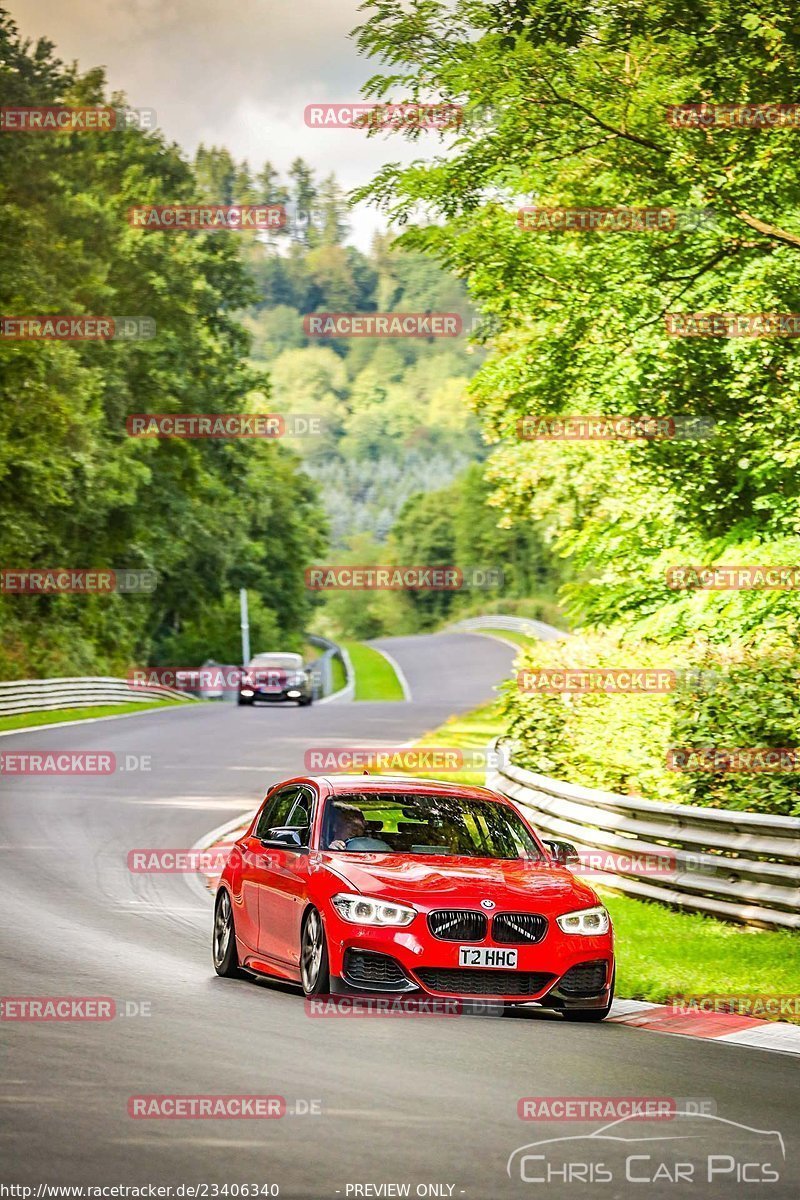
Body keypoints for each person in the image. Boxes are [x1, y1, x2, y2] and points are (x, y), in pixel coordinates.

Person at [326, 803, 391, 851]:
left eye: (359, 827)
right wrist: (332, 850)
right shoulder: (323, 845)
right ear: (335, 826)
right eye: (349, 824)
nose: (355, 829)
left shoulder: (377, 846)